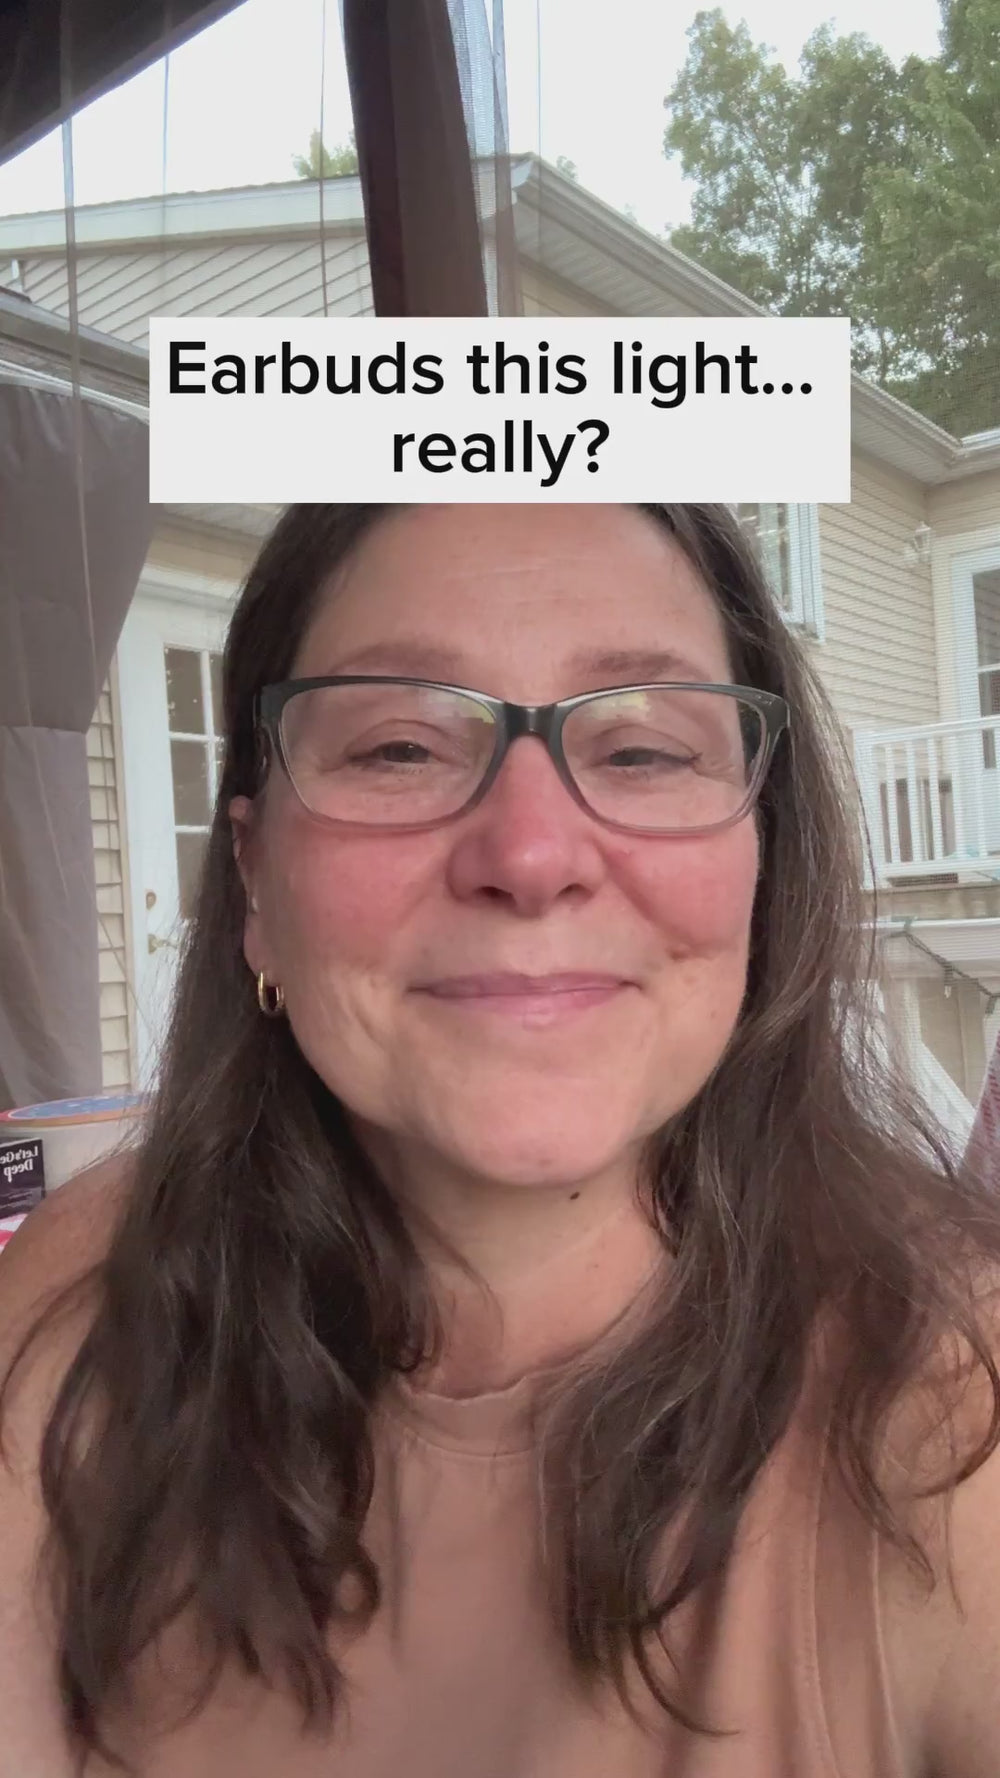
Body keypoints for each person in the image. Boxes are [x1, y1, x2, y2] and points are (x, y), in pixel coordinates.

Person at [1, 500, 1000, 1778]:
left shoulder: (957, 1411)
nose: (530, 853)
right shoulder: (84, 1293)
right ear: (254, 880)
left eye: (640, 750)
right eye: (401, 747)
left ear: (764, 859)